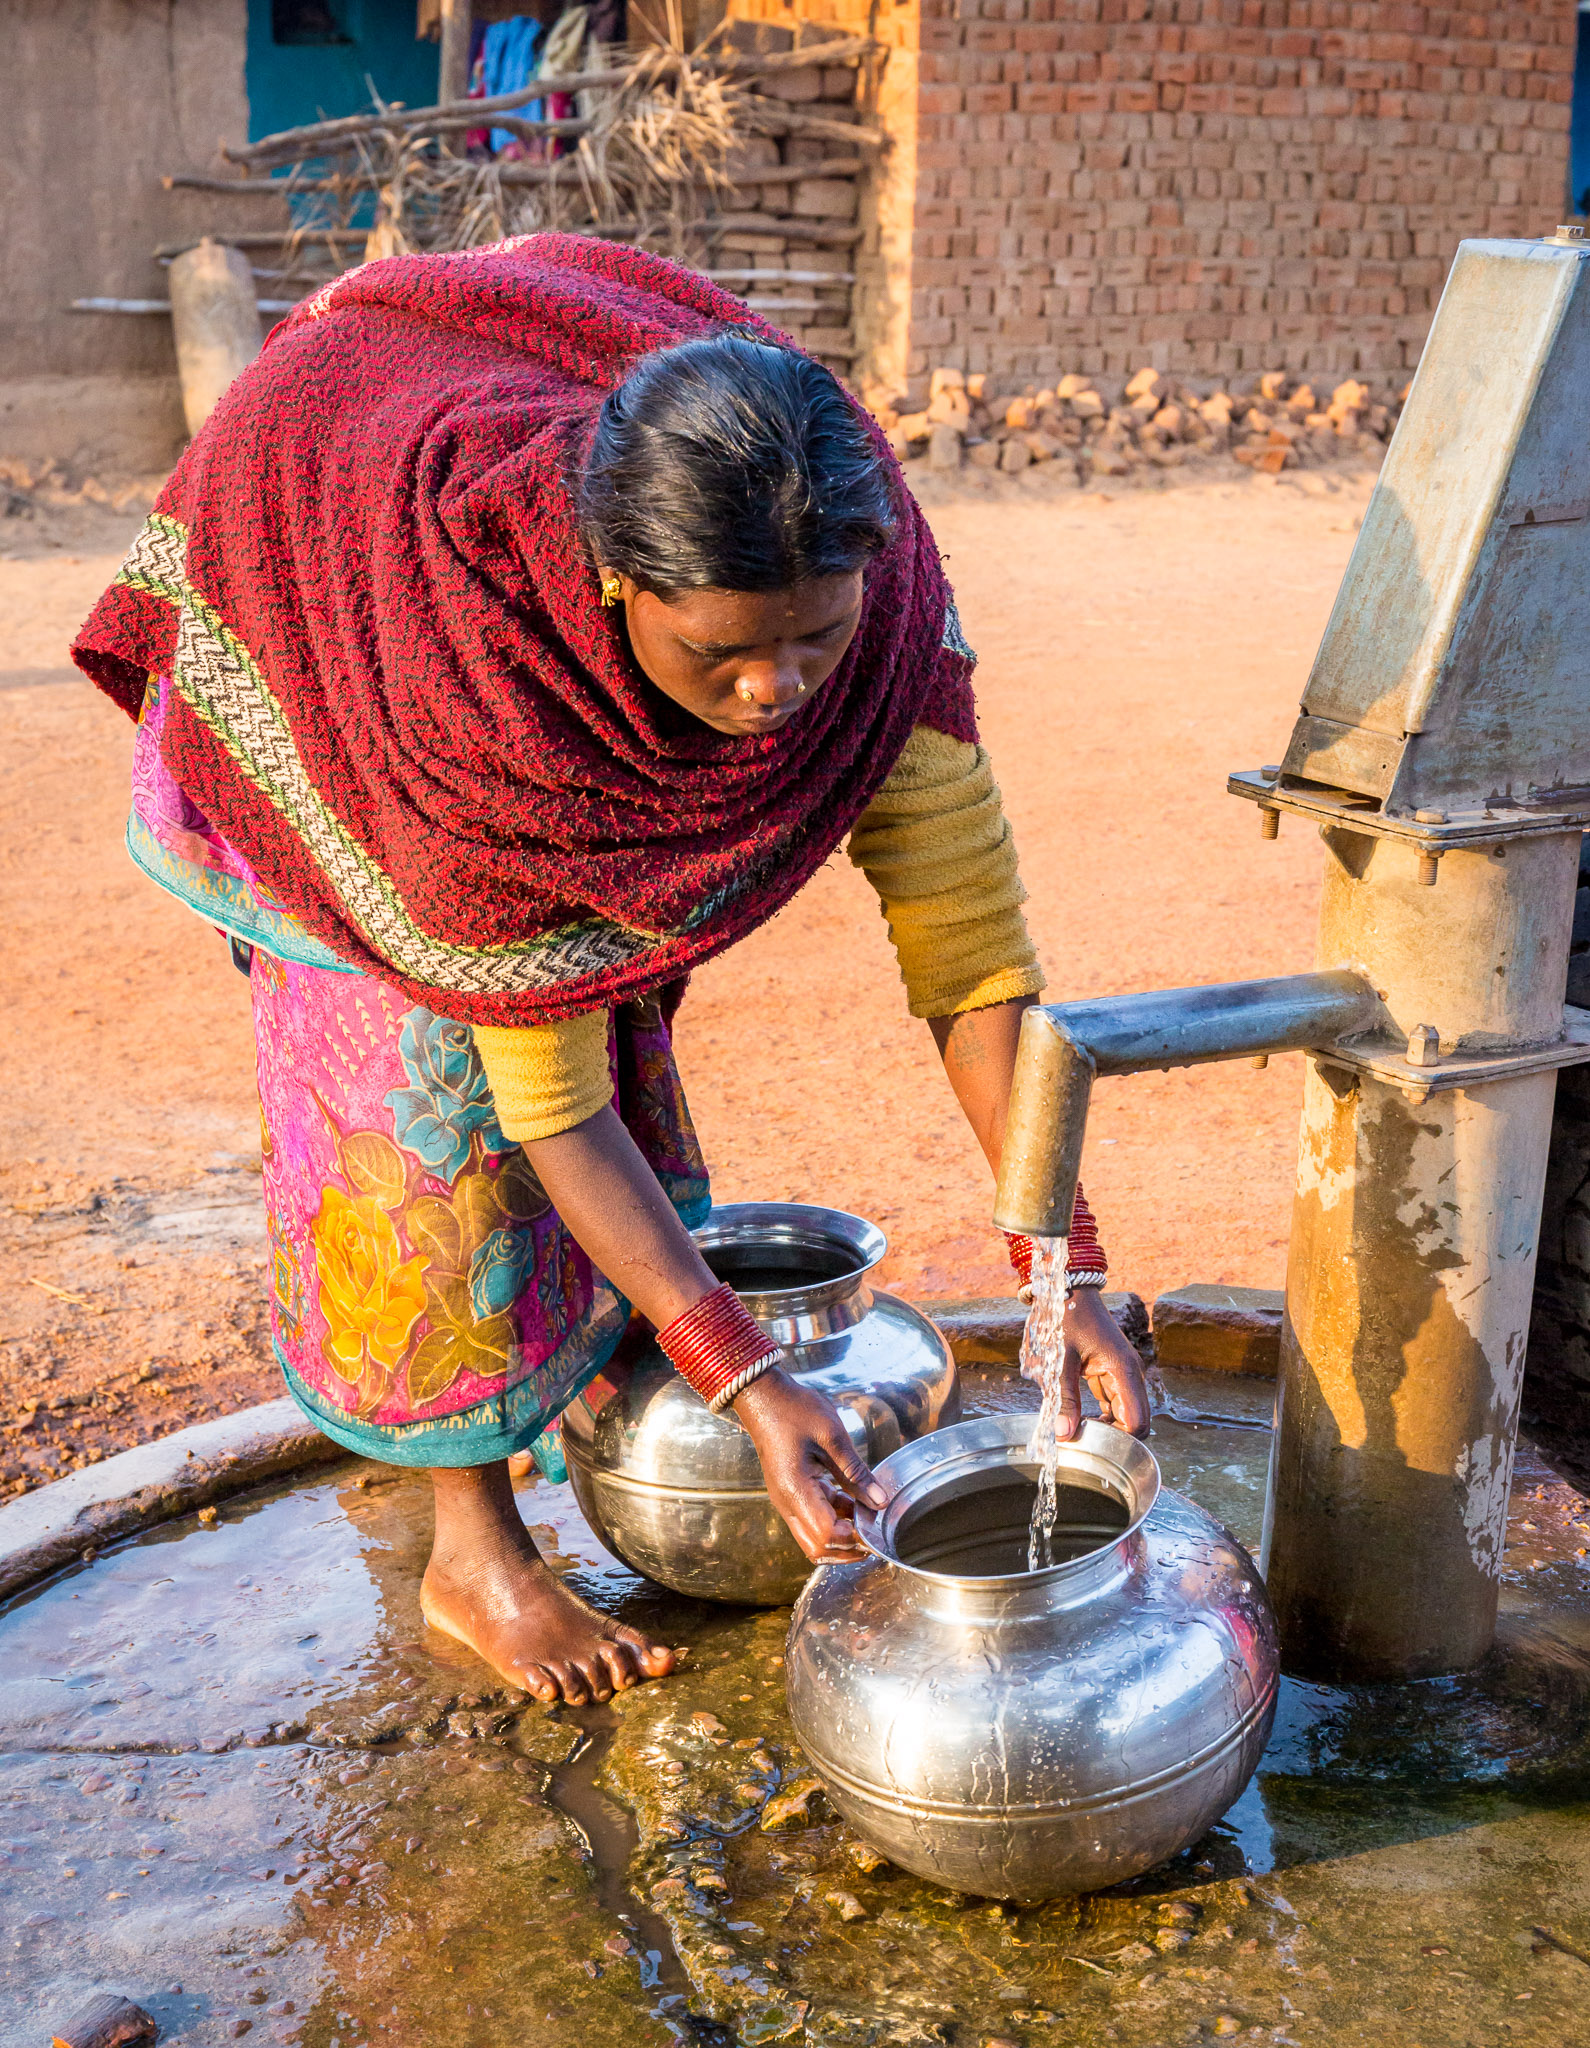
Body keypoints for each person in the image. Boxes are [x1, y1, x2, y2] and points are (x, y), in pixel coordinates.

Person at [74, 233, 1148, 1709]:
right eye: (723, 655)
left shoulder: (883, 623)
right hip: (323, 597)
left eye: (813, 639)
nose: (776, 694)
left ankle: (562, 1374)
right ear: (610, 583)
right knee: (428, 1101)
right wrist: (744, 1375)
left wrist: (1061, 1264)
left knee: (602, 997)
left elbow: (972, 964)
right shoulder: (473, 730)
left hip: (476, 505)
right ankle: (472, 1548)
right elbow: (546, 1099)